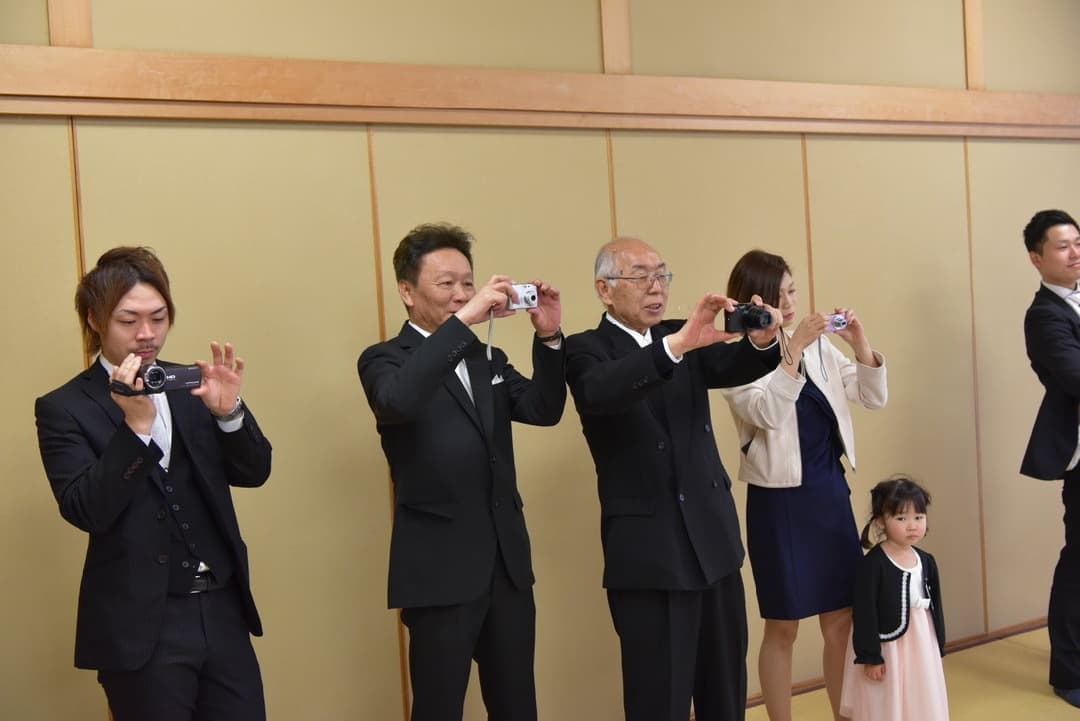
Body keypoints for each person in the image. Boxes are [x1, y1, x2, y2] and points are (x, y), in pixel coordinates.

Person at [34, 246, 272, 721]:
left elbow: (255, 471)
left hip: (222, 612)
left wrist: (229, 414)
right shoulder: (64, 407)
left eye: (159, 318)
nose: (147, 334)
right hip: (141, 627)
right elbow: (85, 509)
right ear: (95, 320)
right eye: (129, 320)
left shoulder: (191, 387)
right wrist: (136, 430)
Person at [564, 236, 781, 721]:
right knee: (657, 698)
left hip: (714, 542)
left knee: (725, 691)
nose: (656, 287)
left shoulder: (686, 335)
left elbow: (733, 363)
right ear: (605, 289)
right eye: (641, 276)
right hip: (648, 556)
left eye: (662, 274)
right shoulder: (586, 350)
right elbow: (600, 392)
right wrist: (677, 346)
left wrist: (764, 340)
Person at [357, 223, 565, 721]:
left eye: (467, 283)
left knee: (517, 705)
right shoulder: (385, 359)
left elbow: (543, 408)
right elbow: (398, 402)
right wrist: (463, 323)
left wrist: (551, 336)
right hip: (438, 570)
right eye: (445, 284)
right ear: (407, 292)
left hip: (506, 565)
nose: (461, 295)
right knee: (438, 707)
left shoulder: (487, 356)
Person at [718, 249, 887, 721]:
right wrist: (791, 351)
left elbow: (871, 395)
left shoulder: (815, 343)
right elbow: (767, 413)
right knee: (783, 626)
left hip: (829, 492)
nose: (790, 303)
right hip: (779, 501)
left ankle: (844, 714)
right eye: (779, 294)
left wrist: (859, 342)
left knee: (841, 618)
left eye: (792, 291)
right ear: (754, 300)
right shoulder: (734, 361)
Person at [1020, 208, 1080, 708]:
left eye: (1078, 242)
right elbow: (1074, 376)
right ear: (1037, 257)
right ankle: (1070, 672)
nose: (1075, 252)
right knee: (1079, 563)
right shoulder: (1044, 315)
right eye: (1062, 246)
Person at [839, 476, 947, 721]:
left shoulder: (926, 560)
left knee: (921, 691)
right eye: (901, 518)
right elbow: (864, 612)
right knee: (888, 696)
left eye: (918, 517)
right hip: (889, 647)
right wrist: (871, 656)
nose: (912, 526)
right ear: (881, 521)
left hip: (921, 642)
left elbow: (935, 606)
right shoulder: (873, 565)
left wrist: (938, 643)